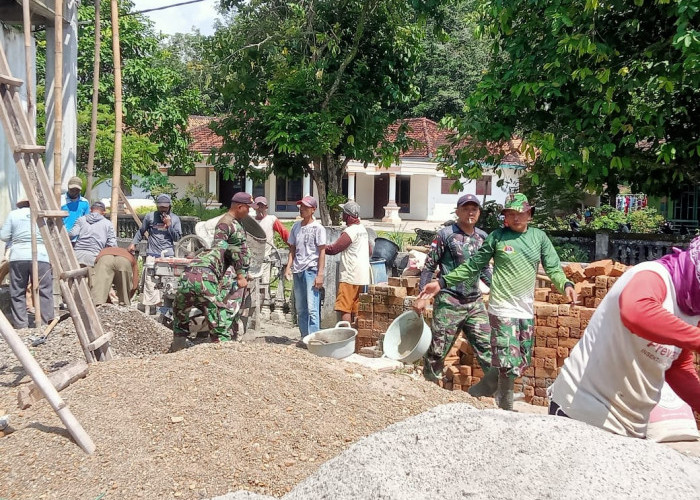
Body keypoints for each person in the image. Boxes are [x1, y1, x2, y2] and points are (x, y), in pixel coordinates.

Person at [421, 193, 577, 410]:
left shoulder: (538, 238)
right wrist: (442, 282)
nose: (515, 218)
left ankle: (479, 390)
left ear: (529, 214)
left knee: (518, 361)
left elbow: (552, 267)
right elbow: (473, 265)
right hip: (493, 306)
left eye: (519, 213)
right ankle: (506, 406)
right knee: (503, 357)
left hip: (521, 309)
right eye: (510, 214)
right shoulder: (494, 237)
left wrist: (566, 285)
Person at [549, 236, 700, 438]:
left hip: (631, 426)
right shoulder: (653, 275)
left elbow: (677, 367)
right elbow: (635, 311)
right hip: (582, 411)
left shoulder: (692, 309)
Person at [413, 194, 494, 390]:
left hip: (474, 303)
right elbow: (429, 266)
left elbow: (484, 270)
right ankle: (430, 390)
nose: (470, 212)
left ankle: (497, 394)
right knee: (437, 352)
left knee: (488, 349)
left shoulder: (483, 237)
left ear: (479, 212)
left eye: (474, 209)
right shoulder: (446, 235)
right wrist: (423, 297)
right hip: (449, 302)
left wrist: (499, 290)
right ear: (457, 211)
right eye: (466, 208)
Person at [170, 238, 250, 351]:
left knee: (180, 316)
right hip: (205, 278)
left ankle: (177, 349)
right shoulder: (227, 250)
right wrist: (241, 275)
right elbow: (235, 253)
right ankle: (222, 351)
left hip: (185, 277)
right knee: (217, 319)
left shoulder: (205, 253)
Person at [0, 199, 54, 328]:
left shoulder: (14, 214)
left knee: (18, 290)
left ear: (20, 205)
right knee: (44, 290)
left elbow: (4, 236)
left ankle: (20, 324)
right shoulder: (43, 214)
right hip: (41, 256)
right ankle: (45, 322)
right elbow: (51, 235)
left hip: (19, 255)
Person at [128, 194, 182, 313]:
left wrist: (169, 226)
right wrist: (134, 243)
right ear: (157, 207)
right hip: (152, 254)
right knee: (150, 283)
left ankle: (164, 309)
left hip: (168, 255)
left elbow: (177, 238)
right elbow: (141, 231)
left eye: (165, 208)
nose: (163, 210)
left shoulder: (175, 219)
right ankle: (148, 311)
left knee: (167, 283)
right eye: (161, 207)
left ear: (169, 207)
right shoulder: (150, 217)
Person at [211, 192, 255, 336]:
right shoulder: (225, 224)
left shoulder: (237, 222)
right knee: (227, 306)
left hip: (239, 274)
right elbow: (219, 250)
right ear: (239, 206)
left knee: (235, 308)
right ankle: (220, 337)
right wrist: (239, 274)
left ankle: (231, 336)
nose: (249, 211)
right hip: (230, 275)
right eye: (248, 208)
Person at [284, 195, 326, 339]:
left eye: (305, 207)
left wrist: (320, 274)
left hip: (311, 270)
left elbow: (322, 251)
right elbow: (292, 249)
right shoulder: (296, 227)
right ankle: (304, 337)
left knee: (312, 308)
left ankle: (314, 338)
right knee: (300, 307)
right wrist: (288, 267)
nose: (302, 209)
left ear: (313, 210)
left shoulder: (318, 228)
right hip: (298, 269)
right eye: (301, 207)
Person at [325, 201, 370, 325]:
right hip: (362, 276)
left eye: (343, 213)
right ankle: (356, 337)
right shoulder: (363, 230)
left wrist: (320, 248)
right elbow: (370, 250)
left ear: (348, 216)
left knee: (345, 308)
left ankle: (346, 335)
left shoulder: (350, 232)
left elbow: (334, 249)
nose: (342, 215)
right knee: (356, 308)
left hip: (350, 275)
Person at [254, 196, 289, 288]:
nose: (260, 209)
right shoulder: (251, 221)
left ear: (266, 207)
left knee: (264, 283)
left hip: (266, 256)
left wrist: (293, 246)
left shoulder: (271, 219)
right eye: (258, 206)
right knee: (252, 283)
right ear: (255, 207)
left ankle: (265, 299)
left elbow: (284, 233)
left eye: (262, 206)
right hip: (252, 257)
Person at [69, 201, 117, 267]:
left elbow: (72, 234)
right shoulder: (108, 224)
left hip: (77, 255)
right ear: (103, 212)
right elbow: (112, 244)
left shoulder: (81, 220)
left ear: (90, 210)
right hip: (95, 257)